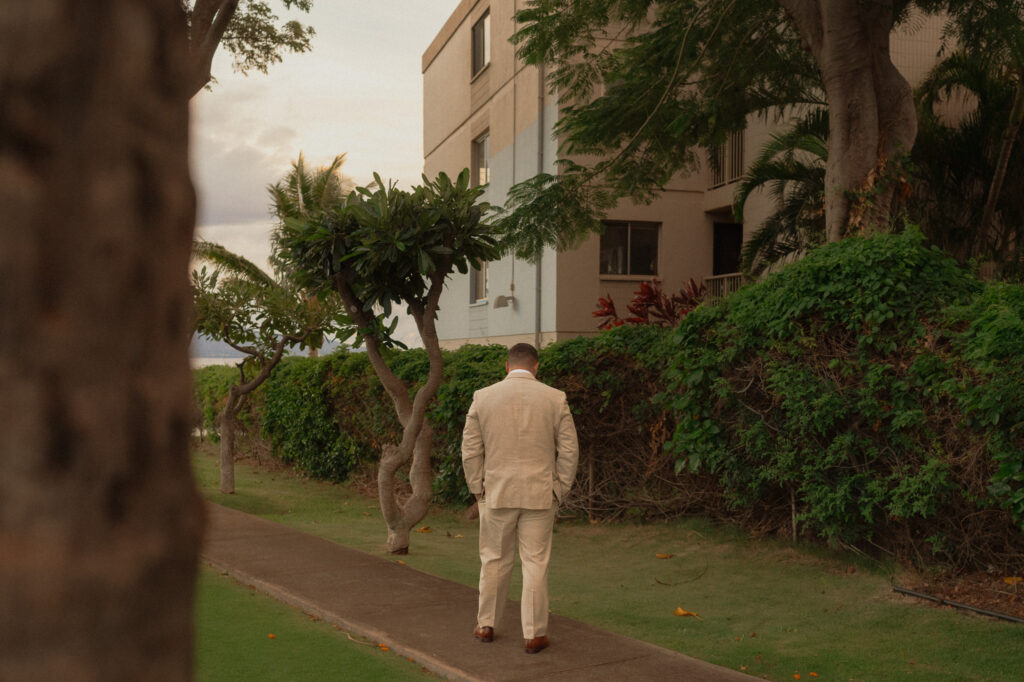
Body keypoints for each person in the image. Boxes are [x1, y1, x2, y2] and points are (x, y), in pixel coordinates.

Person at [461, 342, 579, 654]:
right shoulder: (555, 398)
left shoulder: (483, 397)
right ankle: (534, 634)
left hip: (496, 492)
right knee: (535, 563)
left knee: (494, 561)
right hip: (540, 494)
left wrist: (477, 488)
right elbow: (569, 450)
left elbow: (471, 449)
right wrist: (560, 489)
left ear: (507, 365)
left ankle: (486, 625)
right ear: (536, 366)